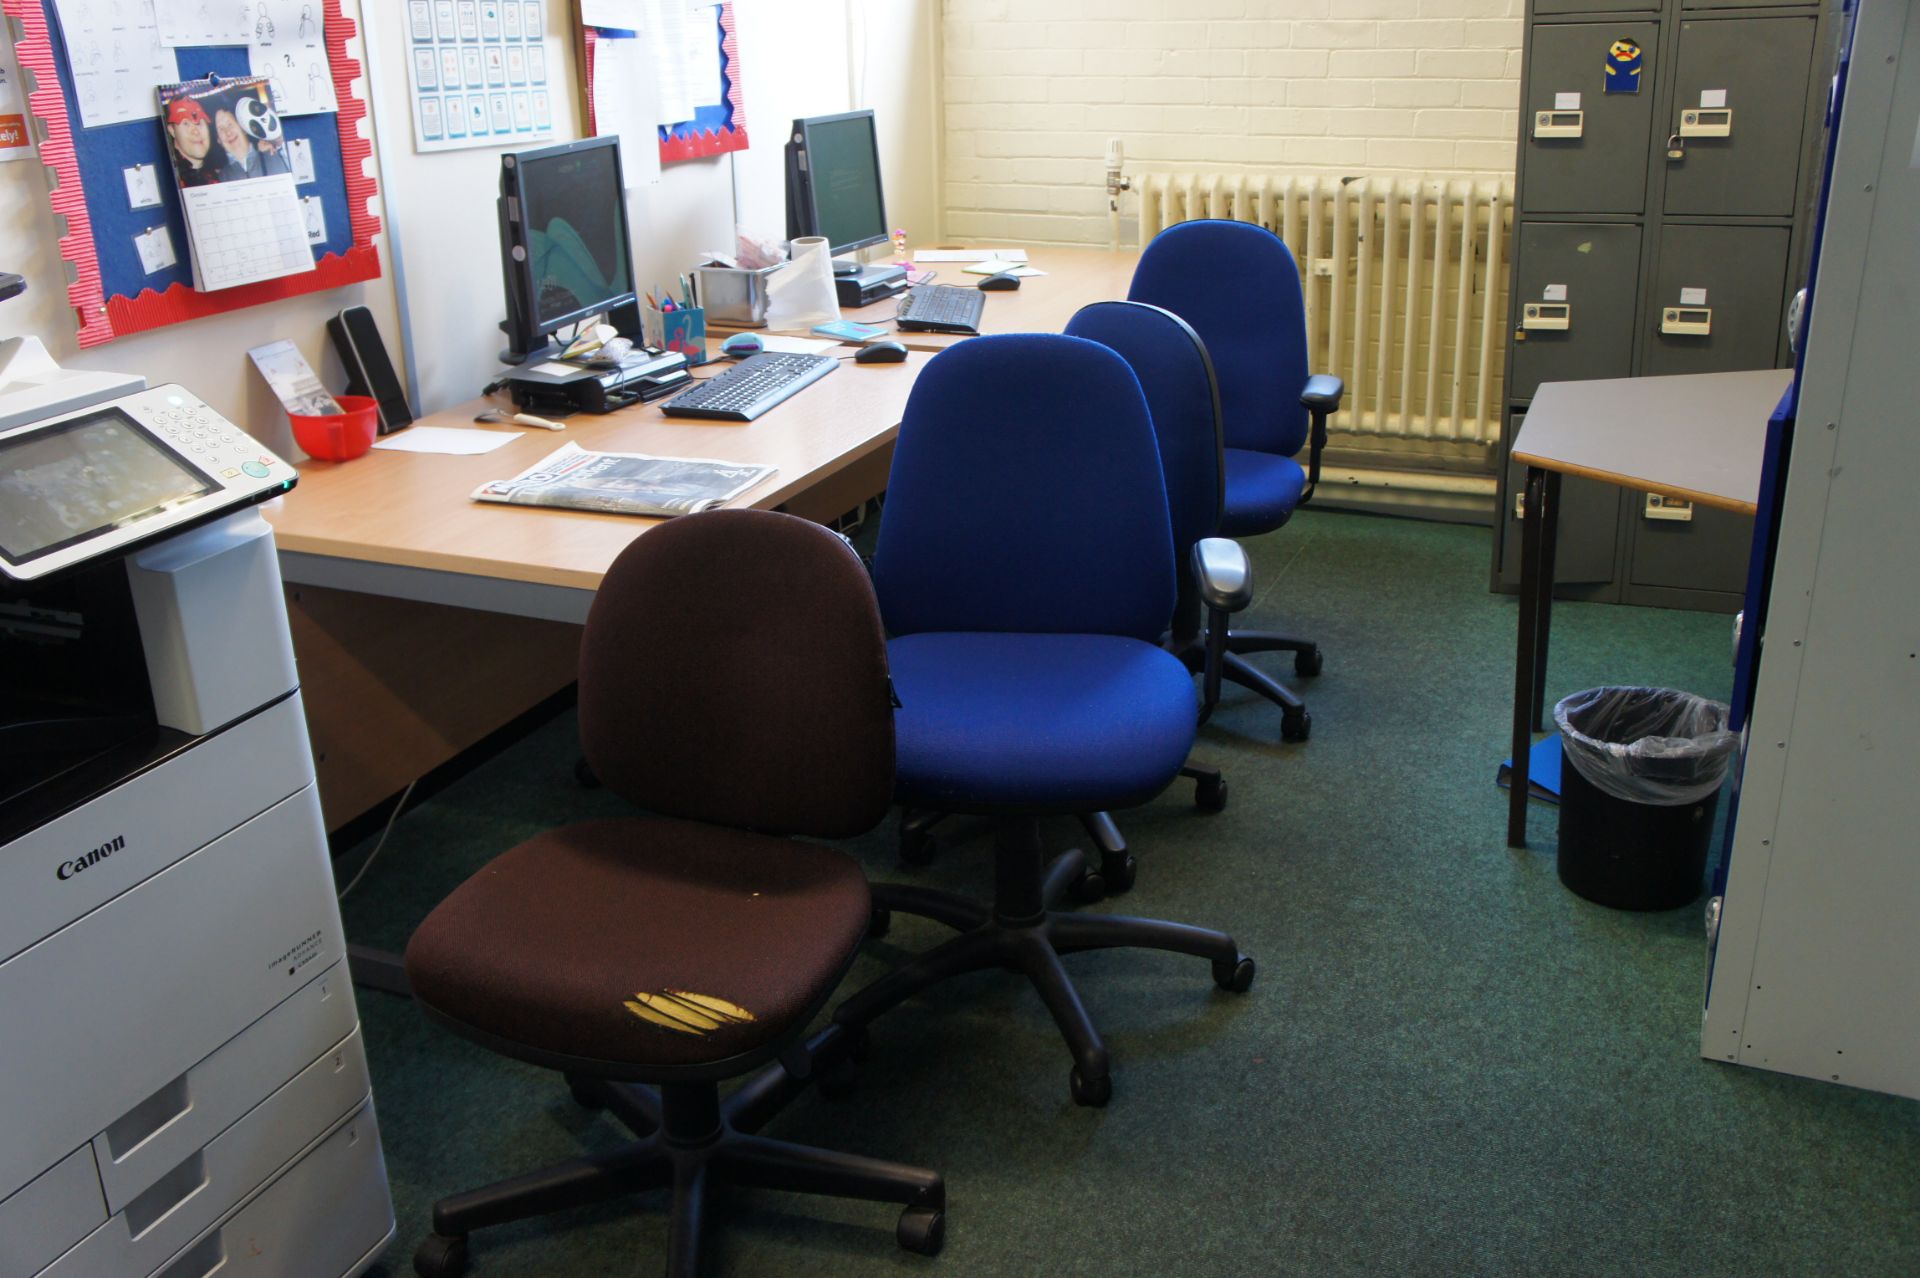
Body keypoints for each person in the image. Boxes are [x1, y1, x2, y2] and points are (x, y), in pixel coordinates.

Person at [213, 102, 290, 181]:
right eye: (221, 129)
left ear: (243, 127)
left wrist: (278, 142)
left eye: (230, 124)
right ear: (218, 139)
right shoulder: (219, 178)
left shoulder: (273, 153)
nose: (228, 132)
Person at [164, 96, 221, 187]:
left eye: (198, 123)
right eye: (186, 123)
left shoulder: (222, 176)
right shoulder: (170, 182)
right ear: (172, 131)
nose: (195, 132)